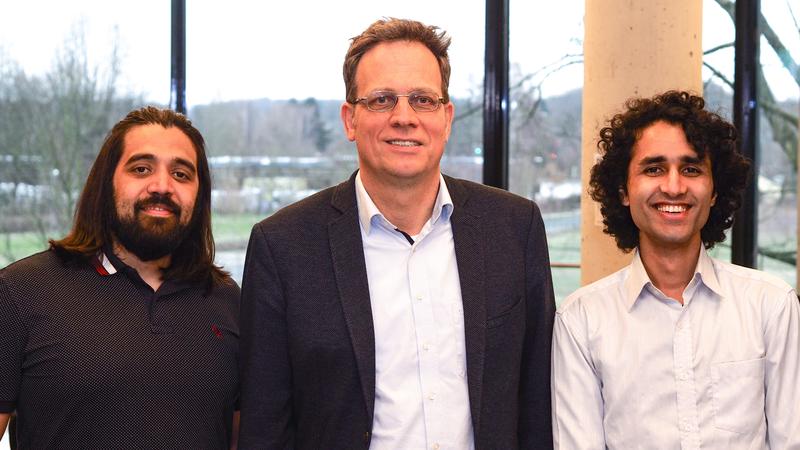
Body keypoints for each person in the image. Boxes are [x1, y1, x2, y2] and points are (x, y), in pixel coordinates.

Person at [238, 18, 555, 449]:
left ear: (446, 118)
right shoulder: (284, 247)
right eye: (383, 99)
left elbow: (537, 401)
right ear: (350, 120)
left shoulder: (514, 229)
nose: (404, 118)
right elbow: (266, 425)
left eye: (422, 100)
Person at [552, 90, 800, 449]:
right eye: (654, 169)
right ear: (623, 190)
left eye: (691, 169)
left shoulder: (771, 306)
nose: (673, 186)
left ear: (714, 191)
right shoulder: (581, 322)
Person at [0, 107, 240, 449]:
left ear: (199, 197)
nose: (162, 186)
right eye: (141, 169)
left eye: (182, 174)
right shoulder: (20, 291)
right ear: (105, 183)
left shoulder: (227, 300)